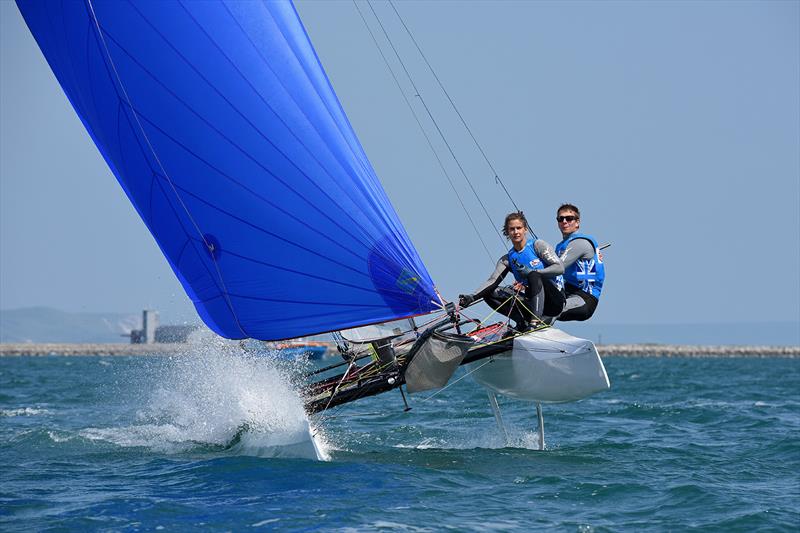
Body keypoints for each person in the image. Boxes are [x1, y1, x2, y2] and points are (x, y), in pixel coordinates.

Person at [459, 211, 565, 332]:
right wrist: (471, 297)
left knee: (534, 275)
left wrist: (535, 272)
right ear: (507, 232)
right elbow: (492, 281)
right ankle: (522, 322)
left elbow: (560, 268)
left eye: (519, 228)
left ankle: (534, 322)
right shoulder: (507, 259)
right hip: (532, 302)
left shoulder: (537, 246)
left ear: (525, 229)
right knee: (489, 292)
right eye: (512, 229)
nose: (516, 232)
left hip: (555, 301)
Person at [554, 203, 605, 321]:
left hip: (585, 298)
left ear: (577, 222)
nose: (564, 222)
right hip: (569, 292)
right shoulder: (561, 246)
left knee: (550, 310)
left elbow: (557, 268)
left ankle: (536, 330)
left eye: (569, 218)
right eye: (561, 219)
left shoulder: (580, 242)